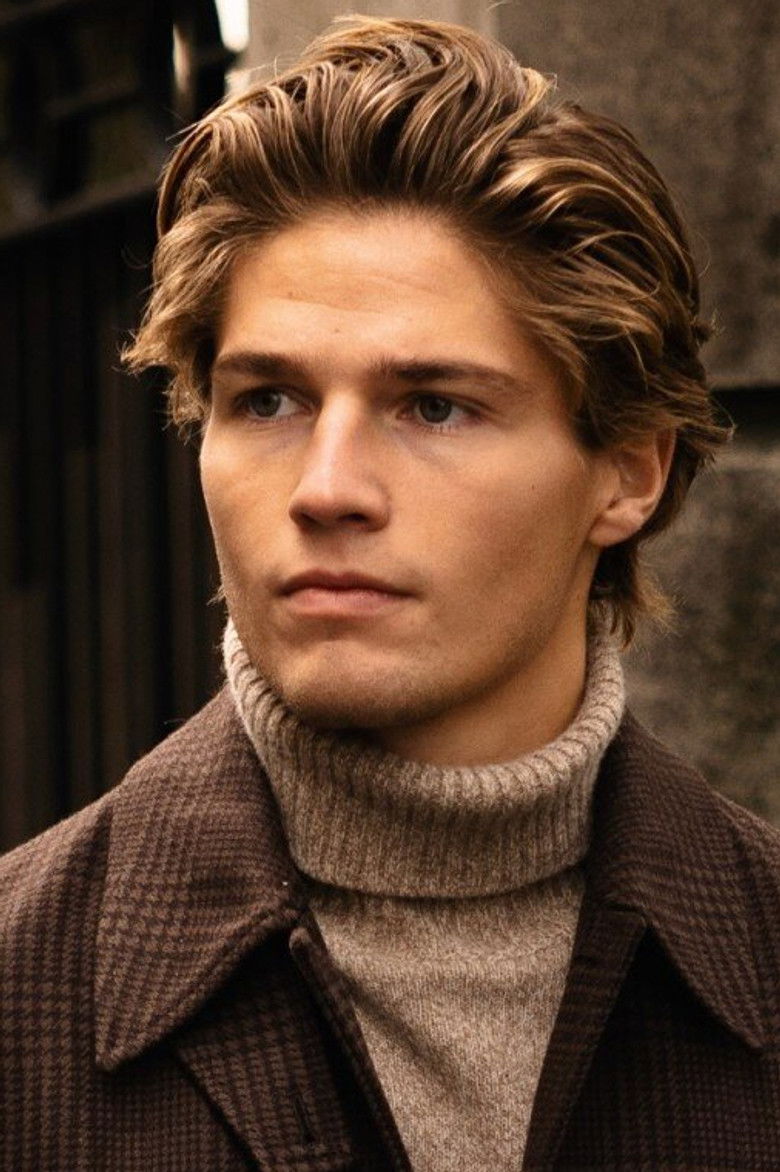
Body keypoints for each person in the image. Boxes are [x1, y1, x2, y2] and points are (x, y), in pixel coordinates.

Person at [1, 15, 778, 1171]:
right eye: (267, 401)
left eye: (434, 406)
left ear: (627, 470)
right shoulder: (22, 995)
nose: (326, 488)